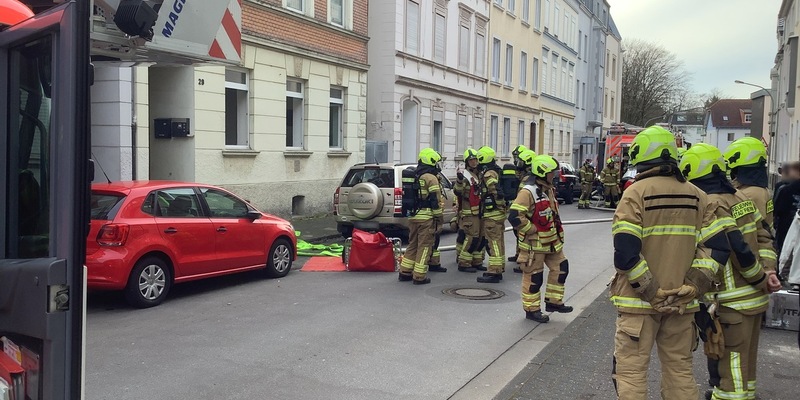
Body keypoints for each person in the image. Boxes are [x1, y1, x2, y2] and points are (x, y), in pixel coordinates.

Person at [611, 126, 730, 400]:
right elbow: (717, 247)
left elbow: (626, 253)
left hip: (638, 305)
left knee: (631, 373)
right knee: (679, 370)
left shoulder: (635, 194)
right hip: (681, 304)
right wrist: (693, 286)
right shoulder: (698, 195)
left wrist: (652, 293)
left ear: (641, 158)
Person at [679, 143, 781, 400]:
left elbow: (736, 248)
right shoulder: (740, 197)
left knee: (730, 365)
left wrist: (759, 278)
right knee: (747, 363)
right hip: (755, 299)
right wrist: (769, 272)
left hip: (733, 301)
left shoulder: (712, 202)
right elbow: (765, 236)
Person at [508, 154, 573, 323]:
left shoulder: (548, 189)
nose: (555, 175)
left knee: (561, 267)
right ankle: (532, 309)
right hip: (534, 245)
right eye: (552, 172)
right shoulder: (528, 192)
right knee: (534, 277)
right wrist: (532, 230)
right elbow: (515, 216)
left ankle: (553, 302)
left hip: (551, 242)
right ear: (542, 172)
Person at [723, 137, 778, 273]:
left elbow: (755, 233)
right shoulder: (758, 189)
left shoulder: (750, 193)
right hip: (758, 256)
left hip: (751, 259)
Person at [398, 148, 444, 285]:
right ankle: (419, 276)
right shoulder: (431, 178)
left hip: (413, 217)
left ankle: (405, 272)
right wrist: (439, 219)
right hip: (426, 218)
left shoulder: (415, 175)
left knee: (413, 244)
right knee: (424, 246)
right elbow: (435, 201)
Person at [476, 146, 507, 283]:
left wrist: (500, 206)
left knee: (493, 242)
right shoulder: (495, 171)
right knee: (499, 242)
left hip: (492, 214)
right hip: (498, 214)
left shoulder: (488, 174)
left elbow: (495, 191)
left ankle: (494, 272)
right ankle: (499, 268)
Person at [454, 148, 486, 273]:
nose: (474, 162)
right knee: (472, 237)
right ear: (467, 162)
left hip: (480, 210)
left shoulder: (479, 174)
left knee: (481, 237)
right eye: (471, 160)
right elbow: (458, 191)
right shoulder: (465, 175)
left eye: (475, 159)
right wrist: (459, 180)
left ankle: (477, 261)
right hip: (469, 212)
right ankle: (464, 262)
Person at [511, 149, 537, 273]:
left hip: (526, 213)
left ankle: (527, 263)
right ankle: (520, 257)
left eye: (521, 162)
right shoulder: (527, 177)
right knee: (521, 237)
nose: (518, 164)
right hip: (525, 211)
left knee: (527, 240)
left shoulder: (528, 179)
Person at [773, 161, 800, 262]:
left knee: (785, 254)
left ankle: (782, 275)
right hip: (788, 227)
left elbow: (777, 209)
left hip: (786, 229)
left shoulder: (785, 189)